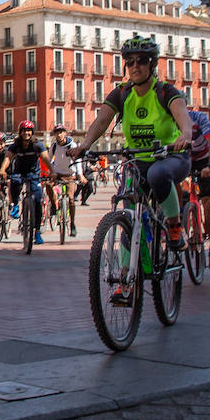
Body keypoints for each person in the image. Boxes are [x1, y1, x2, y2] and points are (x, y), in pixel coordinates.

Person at [73, 35, 193, 301]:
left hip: (171, 156)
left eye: (141, 61)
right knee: (129, 212)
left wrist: (185, 134)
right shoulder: (123, 93)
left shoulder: (165, 92)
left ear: (152, 64)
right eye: (129, 62)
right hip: (138, 158)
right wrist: (85, 144)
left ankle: (174, 226)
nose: (134, 66)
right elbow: (102, 119)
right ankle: (126, 280)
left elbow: (182, 115)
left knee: (157, 174)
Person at [0, 121, 54, 242]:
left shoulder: (37, 145)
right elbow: (8, 157)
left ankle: (37, 232)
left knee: (38, 200)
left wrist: (52, 171)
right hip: (19, 172)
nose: (26, 133)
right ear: (20, 132)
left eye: (29, 130)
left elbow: (45, 158)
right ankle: (15, 207)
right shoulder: (15, 145)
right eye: (24, 130)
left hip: (34, 174)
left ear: (32, 132)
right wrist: (3, 169)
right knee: (14, 182)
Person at [184, 107, 210, 268]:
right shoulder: (166, 119)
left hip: (203, 161)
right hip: (181, 161)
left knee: (208, 201)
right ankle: (179, 226)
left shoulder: (198, 118)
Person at [46, 126, 84, 237]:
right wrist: (50, 171)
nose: (59, 135)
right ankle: (53, 204)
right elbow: (49, 159)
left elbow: (78, 160)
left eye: (61, 132)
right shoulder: (53, 146)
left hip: (69, 175)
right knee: (48, 185)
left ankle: (72, 224)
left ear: (65, 133)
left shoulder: (72, 145)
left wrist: (80, 174)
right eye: (57, 133)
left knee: (71, 199)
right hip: (57, 174)